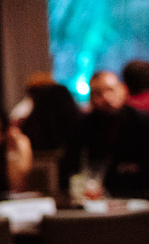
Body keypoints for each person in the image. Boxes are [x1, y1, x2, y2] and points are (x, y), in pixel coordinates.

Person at [60, 70, 149, 199]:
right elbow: (71, 165)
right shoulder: (83, 125)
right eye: (98, 93)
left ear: (123, 90)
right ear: (91, 98)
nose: (106, 97)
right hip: (95, 198)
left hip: (138, 197)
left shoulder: (142, 121)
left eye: (111, 90)